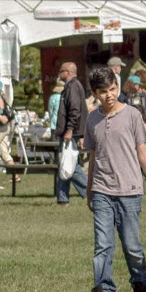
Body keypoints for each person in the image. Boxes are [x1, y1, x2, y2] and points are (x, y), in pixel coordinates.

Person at [82, 67, 146, 292]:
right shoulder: (92, 119)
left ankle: (141, 284)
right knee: (102, 245)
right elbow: (92, 157)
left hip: (130, 190)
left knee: (132, 246)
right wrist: (89, 191)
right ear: (95, 94)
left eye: (112, 89)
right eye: (103, 91)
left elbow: (143, 154)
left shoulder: (132, 115)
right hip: (101, 191)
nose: (109, 95)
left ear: (117, 88)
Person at [53, 62, 89, 205]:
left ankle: (91, 193)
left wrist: (70, 129)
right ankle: (62, 198)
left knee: (70, 165)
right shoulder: (72, 86)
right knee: (65, 163)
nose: (59, 74)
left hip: (70, 132)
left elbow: (75, 111)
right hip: (71, 132)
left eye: (60, 71)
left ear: (67, 72)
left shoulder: (72, 86)